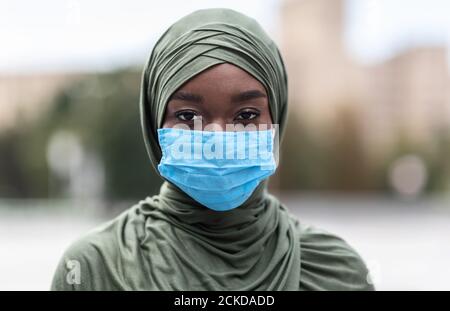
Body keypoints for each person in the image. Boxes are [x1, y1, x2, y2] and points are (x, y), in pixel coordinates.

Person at [51, 8, 374, 291]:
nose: (217, 136)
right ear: (154, 123)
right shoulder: (96, 268)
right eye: (188, 116)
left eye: (246, 116)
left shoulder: (336, 272)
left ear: (276, 118)